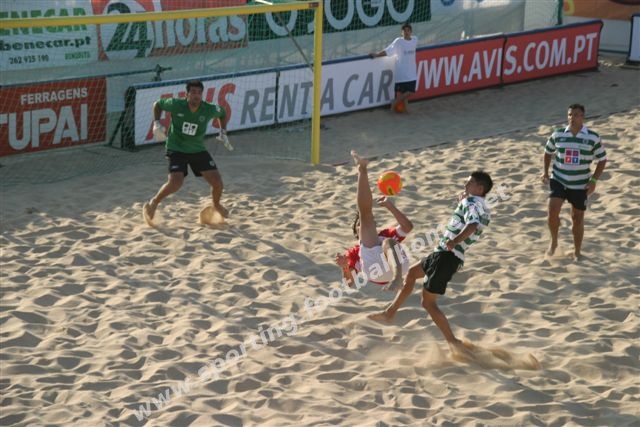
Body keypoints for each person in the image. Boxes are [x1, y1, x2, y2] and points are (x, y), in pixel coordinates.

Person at [369, 171, 493, 349]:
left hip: (447, 256)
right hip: (443, 254)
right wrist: (464, 202)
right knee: (411, 274)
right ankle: (389, 313)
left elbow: (472, 225)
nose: (465, 185)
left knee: (428, 303)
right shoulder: (480, 204)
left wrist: (455, 240)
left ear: (480, 189)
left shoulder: (472, 203)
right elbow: (473, 218)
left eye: (470, 183)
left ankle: (453, 342)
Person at [143, 80, 232, 226]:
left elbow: (222, 113)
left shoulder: (208, 109)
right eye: (193, 92)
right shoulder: (176, 104)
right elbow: (157, 104)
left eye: (199, 93)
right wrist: (157, 123)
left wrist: (223, 131)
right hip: (176, 148)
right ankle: (154, 202)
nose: (196, 95)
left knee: (218, 183)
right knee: (176, 183)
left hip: (197, 149)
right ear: (187, 94)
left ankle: (216, 205)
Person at [334, 151, 413, 291]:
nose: (363, 226)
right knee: (367, 217)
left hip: (400, 267)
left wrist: (390, 206)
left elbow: (408, 227)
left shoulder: (385, 234)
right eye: (359, 226)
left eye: (362, 224)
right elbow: (349, 283)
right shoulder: (354, 252)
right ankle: (362, 169)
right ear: (356, 233)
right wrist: (345, 267)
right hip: (375, 271)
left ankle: (397, 279)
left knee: (388, 241)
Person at [540, 103, 607, 261]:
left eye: (576, 115)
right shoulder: (558, 134)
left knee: (577, 217)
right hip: (559, 179)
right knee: (552, 211)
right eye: (570, 114)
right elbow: (547, 152)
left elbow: (602, 159)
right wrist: (545, 172)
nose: (572, 118)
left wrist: (593, 180)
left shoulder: (592, 137)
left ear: (582, 117)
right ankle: (554, 243)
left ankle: (577, 252)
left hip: (580, 184)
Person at [369, 22, 417, 113]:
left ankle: (405, 109)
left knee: (409, 92)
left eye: (408, 30)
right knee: (408, 91)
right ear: (401, 32)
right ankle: (395, 103)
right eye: (404, 31)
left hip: (412, 73)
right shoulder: (398, 41)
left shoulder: (415, 39)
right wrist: (377, 55)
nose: (406, 32)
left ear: (411, 32)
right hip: (402, 73)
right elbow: (388, 50)